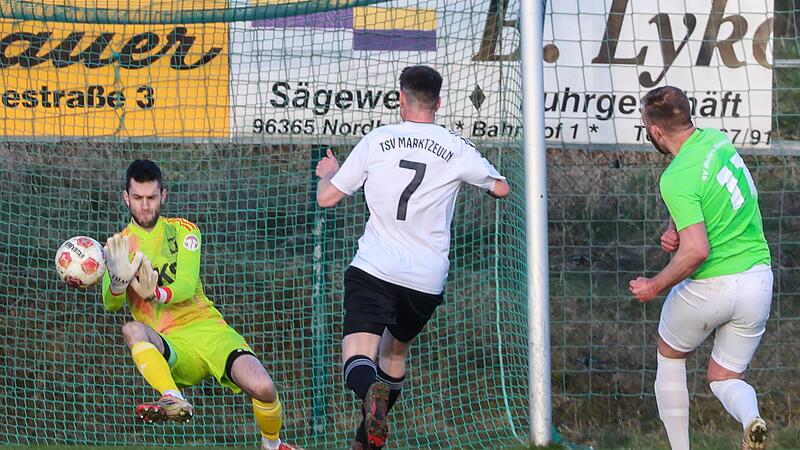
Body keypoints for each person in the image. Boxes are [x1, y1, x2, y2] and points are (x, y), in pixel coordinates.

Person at [315, 65, 511, 450]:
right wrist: (481, 184)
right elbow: (501, 189)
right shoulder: (455, 147)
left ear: (401, 98)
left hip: (375, 268)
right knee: (394, 351)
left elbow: (327, 197)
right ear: (438, 103)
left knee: (358, 356)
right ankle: (368, 439)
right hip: (425, 279)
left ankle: (370, 394)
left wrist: (330, 171)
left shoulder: (378, 140)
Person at [102, 159, 301, 450]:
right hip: (170, 344)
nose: (145, 206)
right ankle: (172, 397)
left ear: (163, 195)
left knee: (264, 387)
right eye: (138, 198)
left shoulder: (185, 231)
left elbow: (185, 284)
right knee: (132, 329)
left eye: (151, 198)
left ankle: (272, 445)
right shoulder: (118, 246)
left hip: (209, 330)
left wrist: (157, 294)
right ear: (126, 197)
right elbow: (110, 304)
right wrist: (118, 284)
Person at [629, 86, 772, 450]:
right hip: (757, 281)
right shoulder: (716, 140)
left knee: (669, 353)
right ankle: (751, 419)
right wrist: (676, 226)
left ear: (655, 131)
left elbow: (697, 250)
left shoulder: (675, 177)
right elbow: (709, 195)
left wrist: (654, 285)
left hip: (713, 286)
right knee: (724, 377)